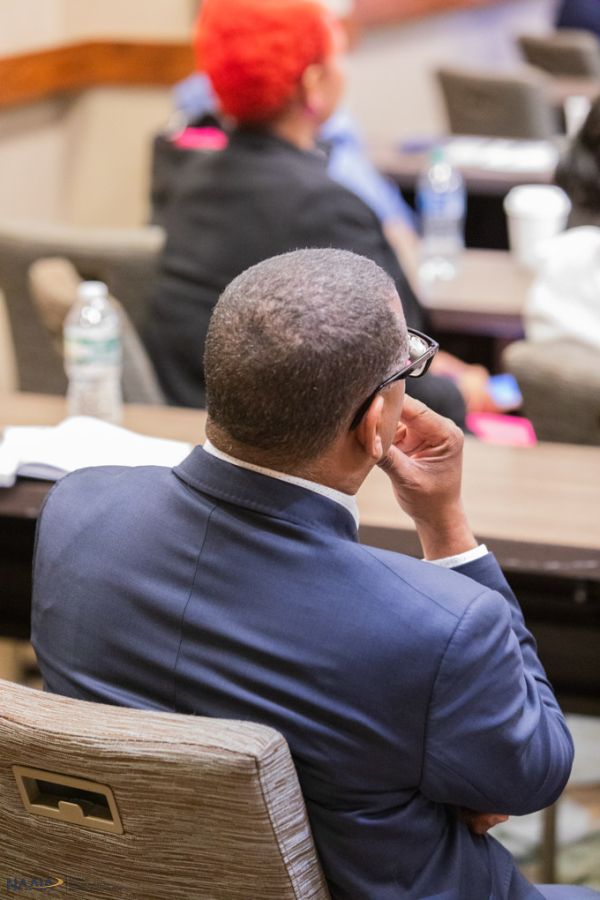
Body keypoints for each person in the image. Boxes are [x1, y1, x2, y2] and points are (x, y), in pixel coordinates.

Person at [33, 247, 596, 899]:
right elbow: (534, 773)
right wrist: (445, 523)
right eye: (407, 365)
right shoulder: (437, 630)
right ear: (374, 425)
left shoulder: (75, 509)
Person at [145, 0, 494, 425]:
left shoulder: (189, 184)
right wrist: (464, 393)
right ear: (313, 84)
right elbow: (399, 375)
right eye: (338, 56)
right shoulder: (326, 209)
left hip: (204, 427)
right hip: (296, 445)